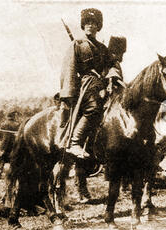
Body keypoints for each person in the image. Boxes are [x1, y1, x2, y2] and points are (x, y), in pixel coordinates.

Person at [59, 8, 109, 159]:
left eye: (94, 23)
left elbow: (111, 65)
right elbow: (69, 68)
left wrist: (112, 76)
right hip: (86, 83)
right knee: (93, 107)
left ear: (98, 27)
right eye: (87, 23)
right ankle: (75, 142)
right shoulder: (77, 44)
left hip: (102, 83)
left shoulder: (102, 47)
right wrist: (68, 94)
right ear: (83, 25)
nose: (90, 26)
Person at [0, 111, 20, 179]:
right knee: (13, 157)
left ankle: (0, 170)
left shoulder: (3, 124)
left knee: (2, 158)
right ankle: (11, 173)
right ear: (14, 117)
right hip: (13, 144)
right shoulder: (17, 124)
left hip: (4, 144)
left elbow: (0, 135)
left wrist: (2, 140)